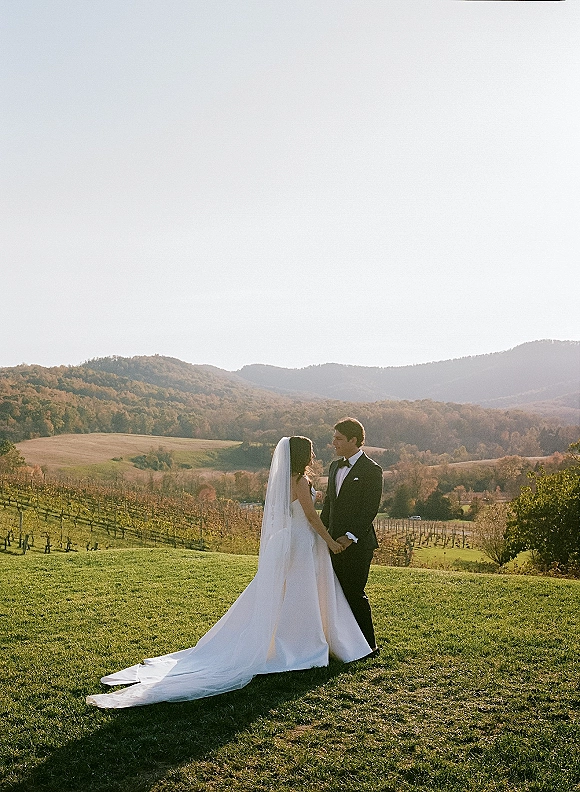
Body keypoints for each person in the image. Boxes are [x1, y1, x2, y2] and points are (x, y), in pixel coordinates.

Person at [86, 436, 371, 709]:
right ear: (301, 456)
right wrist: (330, 541)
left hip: (290, 539)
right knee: (301, 591)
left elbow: (295, 507)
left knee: (289, 591)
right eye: (309, 451)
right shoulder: (301, 480)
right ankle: (301, 643)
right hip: (303, 539)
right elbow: (310, 515)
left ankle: (293, 637)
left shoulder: (286, 479)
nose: (314, 454)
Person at [320, 418, 383, 654]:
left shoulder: (372, 470)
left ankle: (369, 646)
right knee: (334, 594)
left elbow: (369, 509)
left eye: (338, 438)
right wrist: (322, 533)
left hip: (358, 544)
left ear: (353, 440)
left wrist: (349, 537)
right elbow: (329, 504)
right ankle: (341, 643)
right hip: (331, 543)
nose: (333, 443)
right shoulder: (334, 467)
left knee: (354, 593)